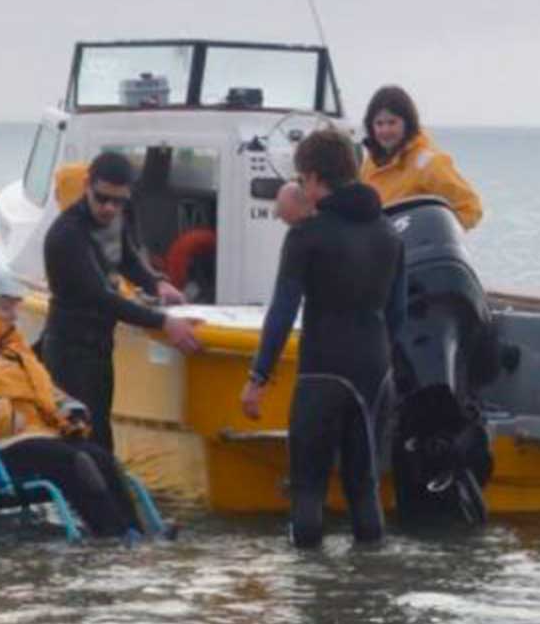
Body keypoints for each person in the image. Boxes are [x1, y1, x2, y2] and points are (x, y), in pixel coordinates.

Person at [240, 129, 407, 548]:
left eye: (302, 179)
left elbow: (282, 311)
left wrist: (258, 376)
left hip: (323, 371)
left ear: (314, 179)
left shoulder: (307, 236)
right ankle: (368, 595)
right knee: (363, 486)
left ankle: (310, 595)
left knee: (308, 487)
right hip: (376, 370)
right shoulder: (390, 234)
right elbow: (398, 314)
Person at [0, 264, 145, 538]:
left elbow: (43, 389)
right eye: (5, 308)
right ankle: (114, 537)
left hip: (38, 434)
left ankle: (137, 531)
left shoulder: (14, 349)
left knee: (103, 459)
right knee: (76, 461)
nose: (14, 316)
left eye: (14, 308)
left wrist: (68, 408)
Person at [42, 151, 201, 453]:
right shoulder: (67, 235)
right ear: (87, 184)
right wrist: (163, 322)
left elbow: (126, 258)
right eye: (102, 198)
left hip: (100, 346)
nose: (109, 208)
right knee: (84, 440)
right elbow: (101, 297)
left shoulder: (116, 217)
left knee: (100, 435)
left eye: (118, 201)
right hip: (70, 349)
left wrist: (157, 282)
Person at [360, 85, 483, 231]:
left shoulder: (429, 163)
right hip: (379, 247)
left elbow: (471, 208)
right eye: (379, 124)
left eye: (392, 122)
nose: (385, 130)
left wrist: (439, 232)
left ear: (408, 123)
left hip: (415, 249)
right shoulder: (370, 163)